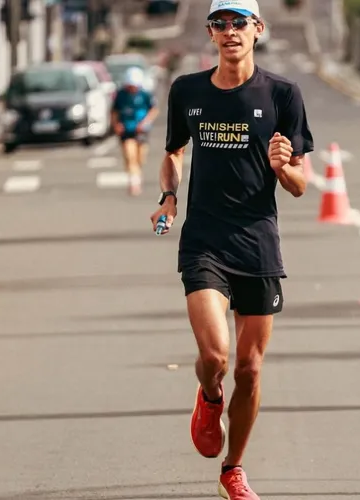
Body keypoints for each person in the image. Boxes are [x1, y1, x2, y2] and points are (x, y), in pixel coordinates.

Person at [148, 0, 313, 498]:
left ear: (257, 29)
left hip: (258, 243)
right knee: (217, 356)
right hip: (204, 241)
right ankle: (208, 393)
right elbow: (174, 152)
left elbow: (301, 185)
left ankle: (233, 469)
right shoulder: (188, 91)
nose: (229, 31)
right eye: (220, 24)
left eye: (239, 23)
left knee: (251, 366)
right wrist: (169, 198)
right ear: (211, 34)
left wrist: (283, 166)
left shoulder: (283, 94)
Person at [112, 66, 158, 196]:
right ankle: (134, 183)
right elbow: (114, 111)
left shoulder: (145, 95)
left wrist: (144, 123)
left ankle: (136, 174)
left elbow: (153, 110)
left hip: (141, 131)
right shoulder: (121, 95)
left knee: (140, 158)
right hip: (126, 130)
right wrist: (116, 124)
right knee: (130, 155)